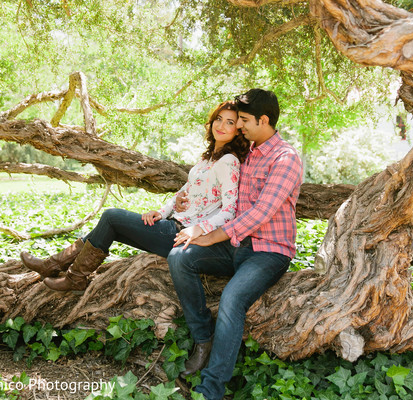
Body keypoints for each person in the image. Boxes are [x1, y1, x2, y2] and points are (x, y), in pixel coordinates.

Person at [19, 101, 250, 292]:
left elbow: (229, 212)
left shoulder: (228, 162)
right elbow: (183, 192)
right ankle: (61, 268)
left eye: (229, 122)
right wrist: (161, 211)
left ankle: (69, 273)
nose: (221, 125)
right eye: (218, 119)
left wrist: (199, 229)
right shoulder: (208, 159)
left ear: (238, 130)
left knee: (111, 217)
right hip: (171, 223)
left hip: (182, 235)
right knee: (109, 226)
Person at [167, 89, 303, 400]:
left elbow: (261, 212)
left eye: (243, 120)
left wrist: (208, 235)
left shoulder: (286, 159)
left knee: (232, 299)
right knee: (180, 257)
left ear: (263, 120)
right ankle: (203, 338)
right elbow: (216, 189)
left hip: (268, 251)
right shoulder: (248, 153)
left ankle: (210, 389)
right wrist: (187, 208)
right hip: (235, 244)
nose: (238, 126)